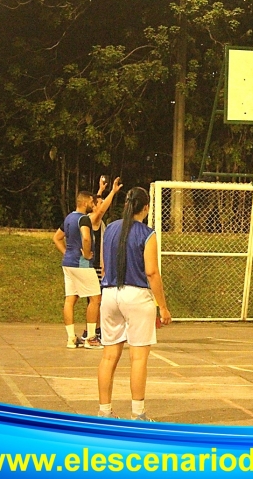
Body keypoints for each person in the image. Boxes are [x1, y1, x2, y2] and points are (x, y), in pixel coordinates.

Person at [97, 187, 172, 421]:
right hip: (136, 295)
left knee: (109, 356)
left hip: (109, 293)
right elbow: (151, 272)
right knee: (138, 358)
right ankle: (138, 414)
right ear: (146, 208)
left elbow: (103, 264)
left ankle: (104, 412)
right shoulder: (147, 234)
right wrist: (163, 306)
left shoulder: (109, 228)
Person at [53, 191, 103, 349]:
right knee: (96, 298)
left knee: (70, 299)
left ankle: (71, 338)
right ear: (85, 201)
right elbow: (86, 238)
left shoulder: (69, 218)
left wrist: (66, 253)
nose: (93, 204)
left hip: (68, 263)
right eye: (91, 201)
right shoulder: (84, 219)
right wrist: (87, 254)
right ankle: (91, 338)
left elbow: (57, 238)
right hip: (81, 264)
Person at [81, 176, 123, 344]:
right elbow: (100, 208)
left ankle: (93, 330)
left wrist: (100, 190)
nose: (102, 203)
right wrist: (112, 191)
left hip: (97, 265)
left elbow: (97, 203)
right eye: (99, 202)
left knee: (95, 301)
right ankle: (91, 333)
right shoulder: (93, 218)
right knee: (96, 300)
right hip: (94, 265)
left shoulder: (91, 218)